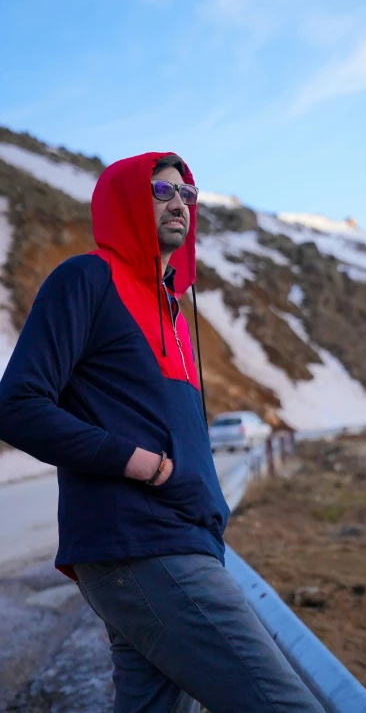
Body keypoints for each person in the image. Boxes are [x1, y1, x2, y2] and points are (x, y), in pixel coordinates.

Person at [0, 152, 324, 713]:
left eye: (188, 195)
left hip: (177, 544)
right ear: (126, 199)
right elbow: (18, 405)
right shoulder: (88, 280)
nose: (181, 203)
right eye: (162, 191)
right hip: (145, 547)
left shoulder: (174, 310)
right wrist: (138, 462)